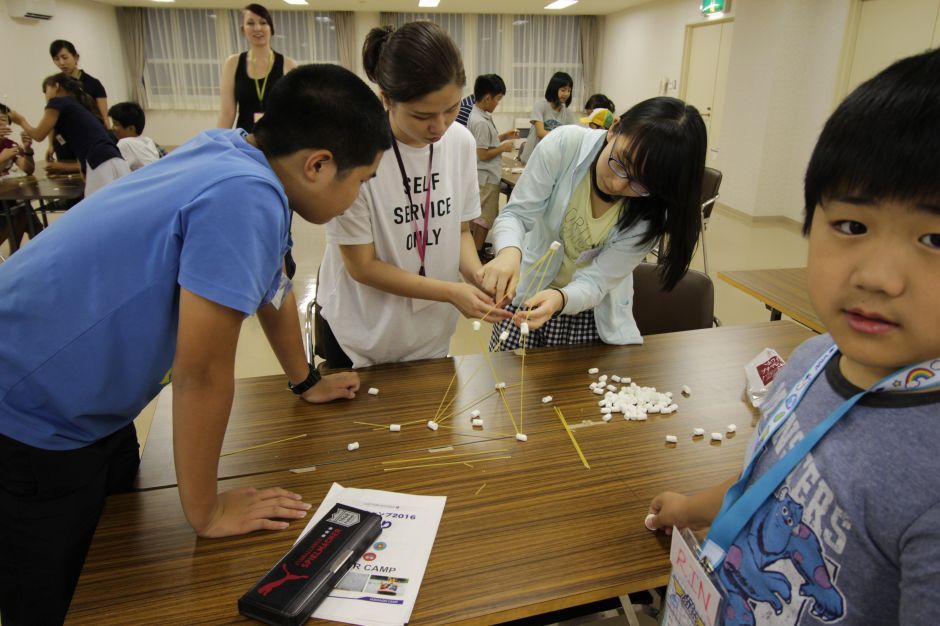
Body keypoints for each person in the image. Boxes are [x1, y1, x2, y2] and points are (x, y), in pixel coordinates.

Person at [0, 63, 391, 625]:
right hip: (33, 413)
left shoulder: (238, 154)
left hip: (89, 409)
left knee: (117, 554)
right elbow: (202, 372)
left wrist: (304, 380)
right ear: (318, 164)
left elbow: (272, 289)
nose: (358, 196)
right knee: (59, 591)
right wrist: (207, 510)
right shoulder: (245, 197)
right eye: (361, 181)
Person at [646, 49, 940, 624]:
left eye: (934, 240)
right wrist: (693, 507)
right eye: (851, 226)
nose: (877, 277)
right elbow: (773, 475)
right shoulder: (812, 356)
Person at [315, 21, 510, 369]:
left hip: (429, 333)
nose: (439, 127)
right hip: (362, 331)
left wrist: (477, 277)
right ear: (386, 98)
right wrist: (450, 291)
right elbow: (361, 265)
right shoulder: (356, 151)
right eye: (422, 116)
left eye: (450, 110)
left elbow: (461, 231)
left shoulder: (460, 142)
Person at [480, 97, 706, 350]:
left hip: (586, 308)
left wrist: (561, 298)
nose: (618, 184)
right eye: (621, 162)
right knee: (506, 379)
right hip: (528, 289)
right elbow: (517, 215)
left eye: (640, 184)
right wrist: (509, 252)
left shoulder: (651, 213)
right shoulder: (565, 145)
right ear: (614, 129)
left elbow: (596, 281)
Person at [9, 74, 129, 197]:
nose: (45, 95)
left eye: (46, 90)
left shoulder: (58, 102)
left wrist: (21, 121)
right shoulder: (77, 105)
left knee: (99, 210)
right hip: (114, 158)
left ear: (56, 86)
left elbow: (39, 135)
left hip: (99, 162)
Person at [218, 3, 298, 131]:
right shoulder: (233, 63)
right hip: (245, 141)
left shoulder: (289, 65)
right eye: (250, 23)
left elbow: (294, 111)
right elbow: (227, 112)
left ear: (271, 29)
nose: (257, 28)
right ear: (243, 30)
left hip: (278, 141)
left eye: (263, 22)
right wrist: (219, 144)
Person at [467, 74, 518, 260]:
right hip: (487, 177)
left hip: (485, 176)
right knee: (484, 219)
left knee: (480, 217)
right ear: (488, 98)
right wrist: (504, 148)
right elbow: (482, 154)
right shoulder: (480, 122)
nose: (498, 103)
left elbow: (487, 144)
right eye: (498, 99)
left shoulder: (481, 116)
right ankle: (478, 253)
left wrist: (504, 136)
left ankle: (475, 247)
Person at [518, 71, 575, 164]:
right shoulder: (540, 105)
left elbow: (570, 135)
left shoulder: (567, 112)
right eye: (563, 90)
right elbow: (540, 133)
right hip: (532, 156)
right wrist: (561, 138)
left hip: (550, 158)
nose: (566, 94)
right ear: (554, 89)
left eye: (569, 90)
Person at [49, 40, 108, 128]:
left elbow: (104, 118)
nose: (61, 63)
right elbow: (51, 119)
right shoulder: (55, 86)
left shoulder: (93, 83)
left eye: (65, 57)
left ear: (76, 57)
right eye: (56, 59)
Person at [108, 101, 161, 171]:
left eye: (116, 124)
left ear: (131, 129)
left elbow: (118, 172)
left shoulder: (125, 143)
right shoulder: (147, 140)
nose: (112, 128)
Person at [0, 103, 35, 178]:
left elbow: (29, 170)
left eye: (3, 119)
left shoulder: (10, 145)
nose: (0, 123)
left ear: (8, 122)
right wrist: (3, 158)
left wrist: (27, 148)